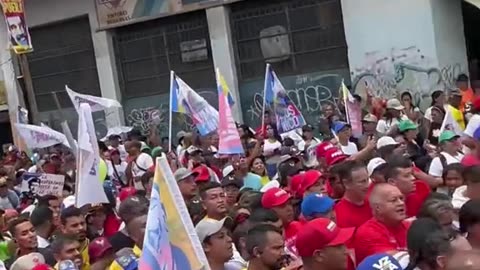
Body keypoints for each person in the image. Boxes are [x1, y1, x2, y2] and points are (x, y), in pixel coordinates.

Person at [353, 183, 409, 263]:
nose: (401, 203)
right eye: (394, 200)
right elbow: (394, 262)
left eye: (401, 198)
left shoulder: (409, 226)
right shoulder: (367, 232)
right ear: (378, 208)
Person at [261, 187, 302, 255]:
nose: (289, 209)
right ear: (269, 211)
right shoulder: (266, 238)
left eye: (289, 203)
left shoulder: (298, 226)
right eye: (282, 206)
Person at [334, 161, 371, 228]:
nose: (367, 185)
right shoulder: (340, 214)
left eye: (367, 180)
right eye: (362, 182)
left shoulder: (373, 201)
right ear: (346, 184)